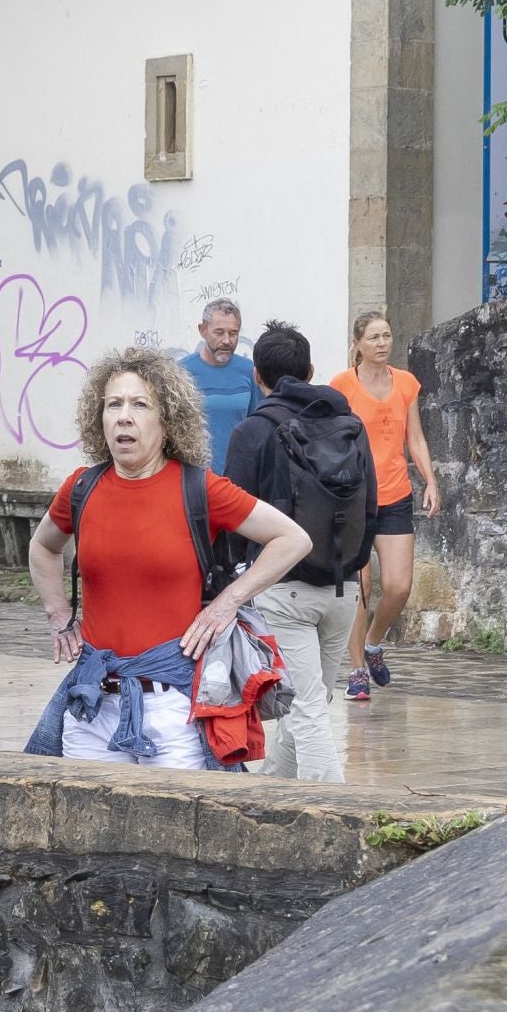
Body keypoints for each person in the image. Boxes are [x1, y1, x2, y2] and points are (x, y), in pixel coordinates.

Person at [25, 347, 310, 769]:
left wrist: (226, 604)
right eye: (113, 404)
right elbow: (43, 546)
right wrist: (57, 612)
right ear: (98, 416)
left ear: (167, 419)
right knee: (83, 830)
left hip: (173, 709)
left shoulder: (199, 488)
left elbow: (292, 538)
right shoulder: (80, 488)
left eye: (140, 405)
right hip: (91, 704)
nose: (124, 416)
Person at [222, 320, 375, 782]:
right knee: (308, 702)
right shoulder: (351, 425)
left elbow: (231, 515)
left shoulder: (253, 431)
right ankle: (273, 793)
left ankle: (338, 813)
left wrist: (228, 576)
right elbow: (373, 504)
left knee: (307, 709)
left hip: (281, 590)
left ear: (256, 375)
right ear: (310, 370)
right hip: (343, 587)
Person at [329, 311, 441, 701]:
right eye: (374, 337)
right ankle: (357, 670)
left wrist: (430, 481)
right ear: (358, 343)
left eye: (387, 336)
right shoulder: (342, 385)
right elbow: (333, 441)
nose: (382, 343)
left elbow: (417, 439)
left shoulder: (406, 383)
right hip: (354, 497)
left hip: (394, 493)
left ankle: (374, 644)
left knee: (398, 585)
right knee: (361, 588)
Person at [178, 298, 261, 472]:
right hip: (196, 479)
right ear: (202, 330)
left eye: (233, 333)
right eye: (219, 332)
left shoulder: (250, 371)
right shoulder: (181, 373)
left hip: (239, 479)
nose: (226, 340)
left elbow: (258, 427)